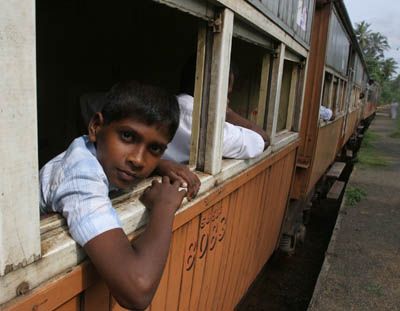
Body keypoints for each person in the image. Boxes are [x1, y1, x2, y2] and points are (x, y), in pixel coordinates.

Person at [40, 81, 199, 310]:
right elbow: (137, 291)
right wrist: (164, 206)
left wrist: (159, 165)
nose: (138, 159)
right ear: (95, 127)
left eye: (154, 149)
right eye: (127, 136)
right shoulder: (80, 175)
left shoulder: (103, 156)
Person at [162, 58, 270, 163]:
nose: (228, 98)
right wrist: (227, 112)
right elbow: (262, 139)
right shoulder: (199, 118)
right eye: (226, 91)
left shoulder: (167, 105)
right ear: (213, 86)